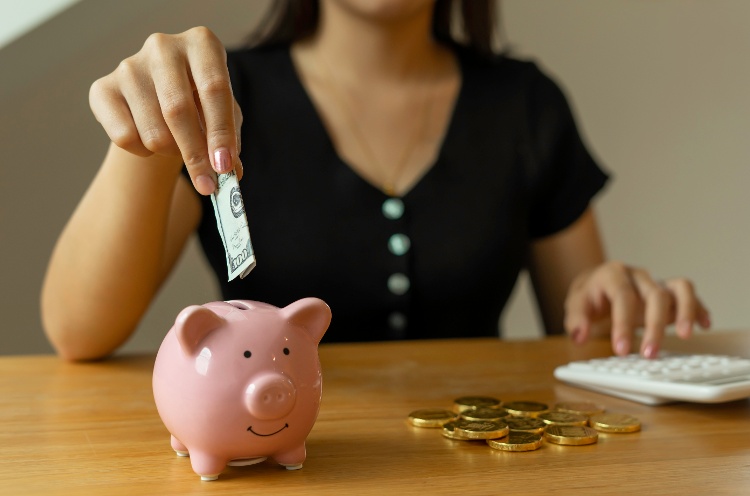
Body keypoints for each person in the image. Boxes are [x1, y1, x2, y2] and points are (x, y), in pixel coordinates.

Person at [41, 0, 709, 361]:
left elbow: (586, 336)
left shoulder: (525, 104)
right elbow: (77, 333)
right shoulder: (221, 96)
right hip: (279, 453)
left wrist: (610, 295)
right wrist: (149, 133)